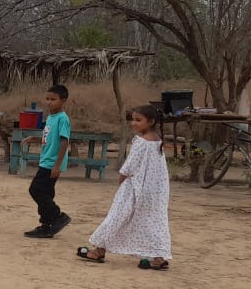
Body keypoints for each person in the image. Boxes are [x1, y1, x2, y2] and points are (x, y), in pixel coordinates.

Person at [78, 105, 172, 270]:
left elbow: (129, 166)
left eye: (138, 120)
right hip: (155, 191)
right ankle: (158, 257)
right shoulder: (157, 141)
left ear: (151, 121)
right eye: (133, 120)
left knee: (117, 216)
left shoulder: (141, 142)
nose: (134, 123)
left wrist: (121, 181)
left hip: (134, 188)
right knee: (153, 222)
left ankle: (99, 250)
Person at [26, 84, 73, 238]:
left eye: (53, 99)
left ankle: (58, 216)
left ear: (63, 100)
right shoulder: (51, 118)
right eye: (47, 99)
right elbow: (49, 139)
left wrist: (57, 165)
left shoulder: (62, 118)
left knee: (36, 189)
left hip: (51, 163)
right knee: (46, 193)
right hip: (45, 160)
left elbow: (64, 141)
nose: (49, 102)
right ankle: (46, 225)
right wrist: (35, 138)